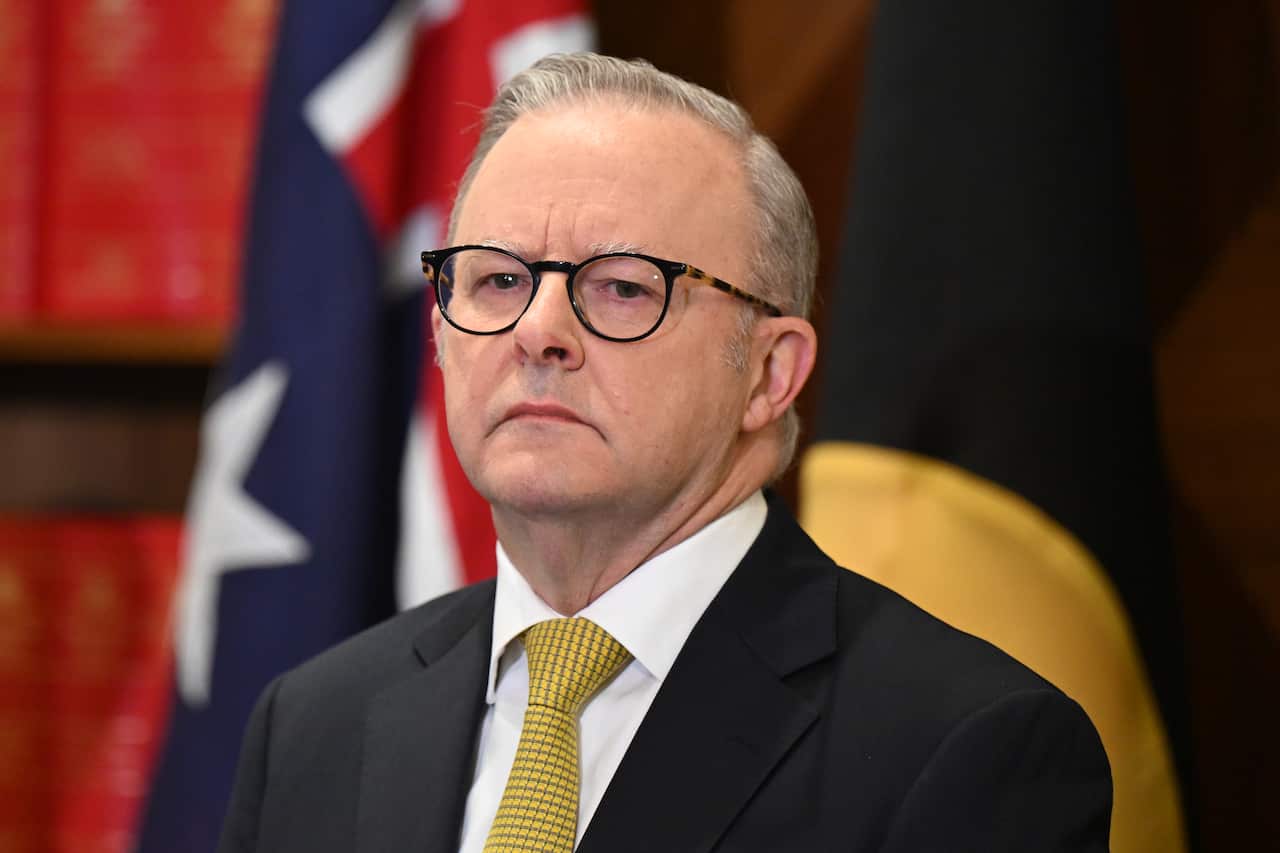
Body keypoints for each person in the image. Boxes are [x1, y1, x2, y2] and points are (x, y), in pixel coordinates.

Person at [216, 53, 1112, 853]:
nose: (538, 331)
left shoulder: (966, 749)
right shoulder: (312, 727)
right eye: (496, 279)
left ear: (769, 373)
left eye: (620, 288)